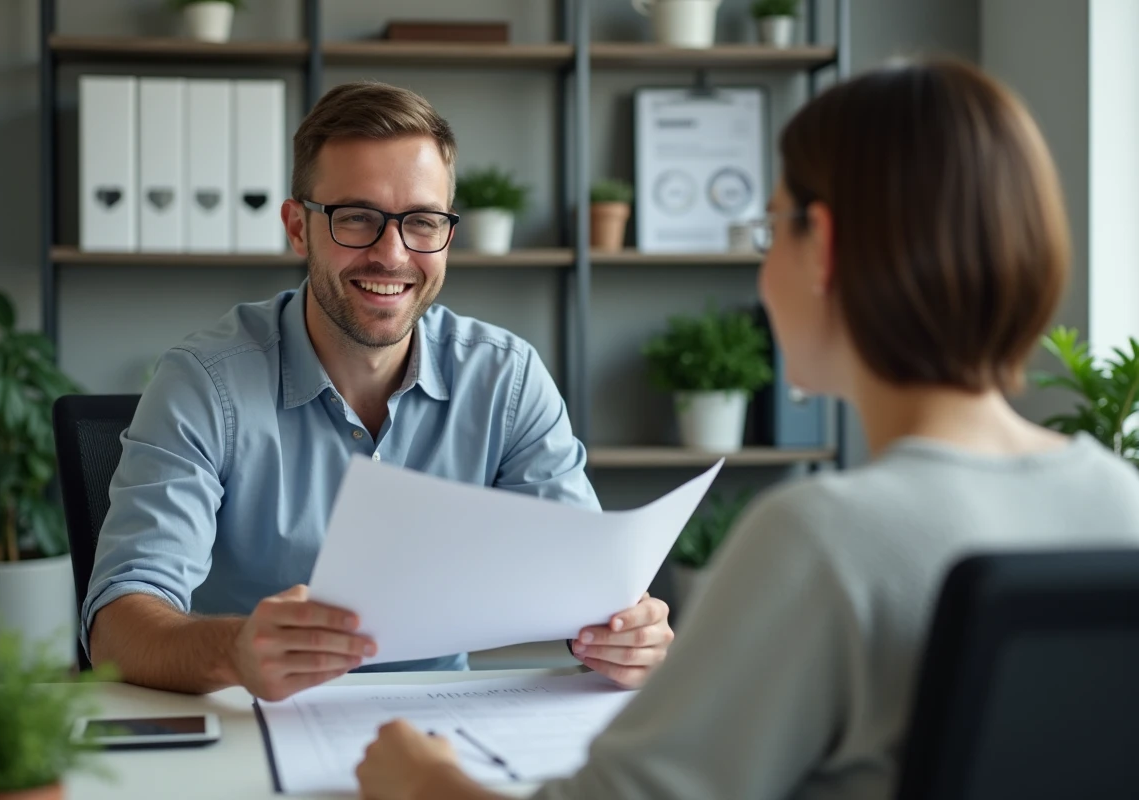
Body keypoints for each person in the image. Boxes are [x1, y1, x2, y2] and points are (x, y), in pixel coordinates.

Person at [355, 57, 1139, 800]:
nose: (764, 277)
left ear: (822, 247)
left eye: (770, 233)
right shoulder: (1123, 504)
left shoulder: (821, 541)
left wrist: (421, 781)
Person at [82, 81, 673, 702]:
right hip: (251, 725)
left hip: (444, 728)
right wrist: (235, 650)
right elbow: (118, 630)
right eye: (356, 218)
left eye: (421, 221)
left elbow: (593, 593)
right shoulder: (205, 383)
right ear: (297, 227)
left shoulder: (506, 379)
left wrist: (629, 637)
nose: (391, 255)